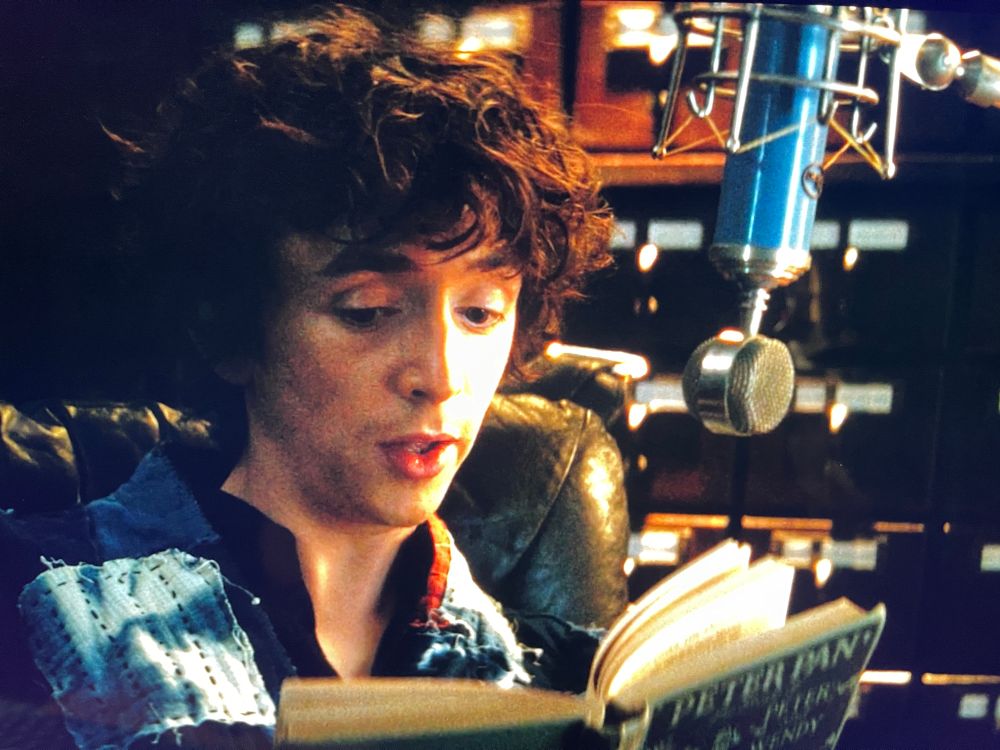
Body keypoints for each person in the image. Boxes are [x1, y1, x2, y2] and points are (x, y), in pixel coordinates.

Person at [0, 5, 616, 748]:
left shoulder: (562, 681)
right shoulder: (26, 603)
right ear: (229, 327)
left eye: (481, 313)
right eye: (368, 311)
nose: (441, 376)